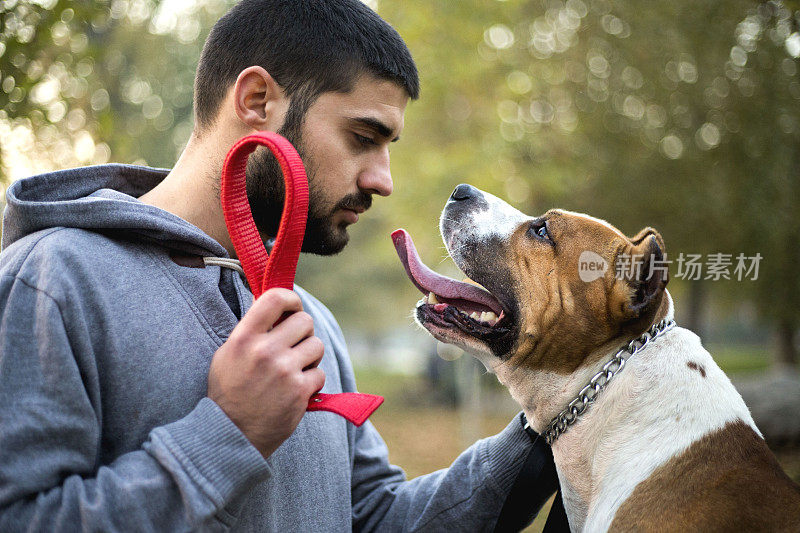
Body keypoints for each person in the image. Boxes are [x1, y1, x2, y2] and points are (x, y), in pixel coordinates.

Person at [0, 1, 563, 530]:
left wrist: (551, 425)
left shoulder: (310, 319)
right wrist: (228, 433)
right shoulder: (53, 281)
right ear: (256, 101)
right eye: (362, 137)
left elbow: (367, 517)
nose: (382, 180)